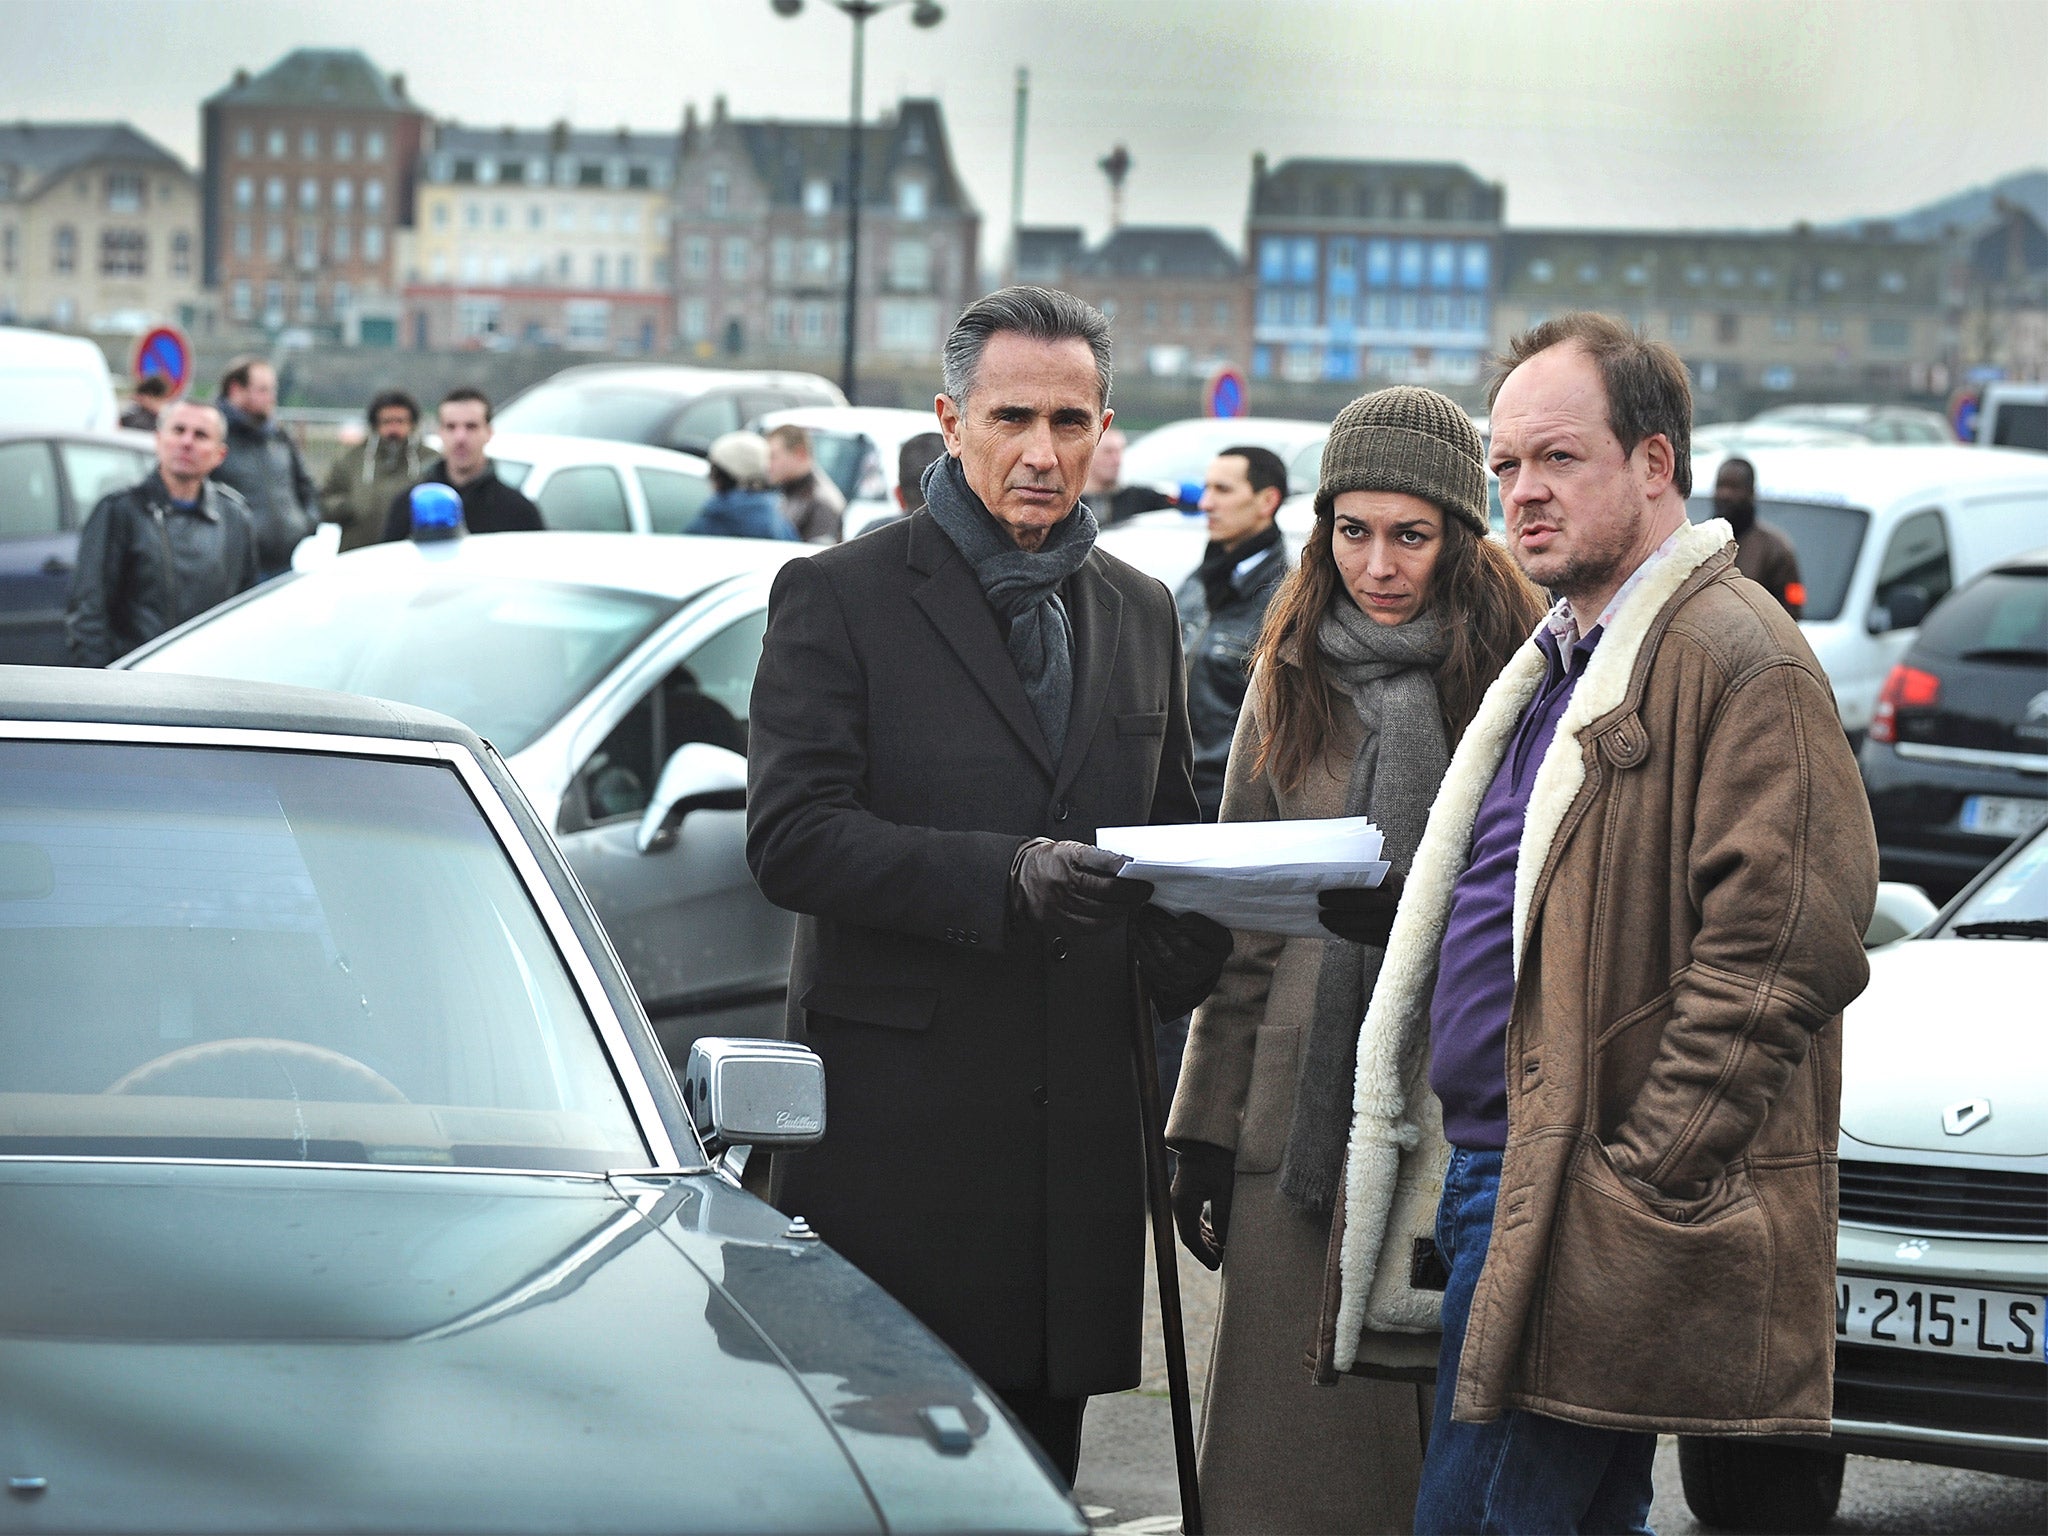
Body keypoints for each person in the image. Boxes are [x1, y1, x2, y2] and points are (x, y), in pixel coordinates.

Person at [1317, 313, 1877, 1535]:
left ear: (1654, 466)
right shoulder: (1571, 654)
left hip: (1580, 1202)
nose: (1520, 492)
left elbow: (1793, 938)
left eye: (1557, 458)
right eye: (1504, 463)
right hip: (1504, 1180)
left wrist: (1637, 1181)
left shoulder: (1735, 656)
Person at [745, 285, 1229, 1485]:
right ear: (949, 419)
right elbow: (792, 839)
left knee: (1036, 1500)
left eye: (1070, 423)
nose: (1041, 452)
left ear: (1102, 427)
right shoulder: (839, 595)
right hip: (896, 1162)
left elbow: (1163, 839)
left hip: (1071, 1177)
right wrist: (1002, 879)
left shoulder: (1138, 610)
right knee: (886, 1501)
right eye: (1012, 418)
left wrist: (1193, 937)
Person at [1165, 390, 1547, 1534]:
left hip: (1453, 1114)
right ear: (1320, 527)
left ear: (1459, 536)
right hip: (1296, 1130)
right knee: (1281, 1469)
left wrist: (1420, 915)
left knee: (1435, 1452)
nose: (1376, 564)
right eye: (1352, 531)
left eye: (1410, 535)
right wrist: (1200, 1126)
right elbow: (1240, 927)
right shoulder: (1286, 673)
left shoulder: (1521, 682)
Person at [65, 399, 260, 667]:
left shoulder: (234, 517)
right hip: (136, 680)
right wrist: (104, 683)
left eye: (200, 435)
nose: (187, 442)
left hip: (208, 679)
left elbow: (244, 613)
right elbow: (88, 611)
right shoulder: (120, 510)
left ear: (219, 455)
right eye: (178, 430)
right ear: (158, 440)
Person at [1176, 445, 1292, 823]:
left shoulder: (1286, 601)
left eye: (1223, 491)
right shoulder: (1198, 581)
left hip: (1230, 806)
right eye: (1206, 489)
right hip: (1175, 793)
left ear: (1267, 501)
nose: (1206, 503)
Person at [377, 388, 542, 542]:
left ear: (489, 432)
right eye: (451, 427)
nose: (460, 437)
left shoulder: (518, 511)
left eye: (471, 426)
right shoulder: (408, 505)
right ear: (439, 432)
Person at [211, 356, 318, 579]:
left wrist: (306, 523)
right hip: (238, 569)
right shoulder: (214, 439)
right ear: (236, 389)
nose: (271, 398)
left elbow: (306, 486)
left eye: (272, 390)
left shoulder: (279, 438)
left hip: (288, 561)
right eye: (263, 390)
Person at [321, 389, 426, 553]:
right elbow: (323, 501)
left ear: (412, 423)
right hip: (358, 555)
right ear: (376, 424)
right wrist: (351, 506)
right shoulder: (352, 459)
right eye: (387, 421)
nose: (393, 428)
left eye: (400, 421)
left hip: (412, 557)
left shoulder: (429, 460)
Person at [1714, 455, 1805, 618]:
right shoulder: (1702, 543)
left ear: (1751, 492)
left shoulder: (1776, 549)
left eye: (1734, 487)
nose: (1725, 494)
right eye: (1721, 486)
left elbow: (1793, 606)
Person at [686, 432, 799, 540]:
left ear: (723, 476)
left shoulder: (714, 521)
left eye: (713, 470)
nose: (710, 477)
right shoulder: (780, 520)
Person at [765, 422, 846, 544]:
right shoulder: (786, 489)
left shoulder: (823, 502)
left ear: (800, 453)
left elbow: (815, 558)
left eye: (773, 456)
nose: (768, 465)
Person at [1081, 425, 1173, 524]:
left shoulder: (1142, 499)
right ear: (1088, 454)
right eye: (1108, 452)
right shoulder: (1071, 505)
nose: (1117, 460)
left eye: (1119, 451)